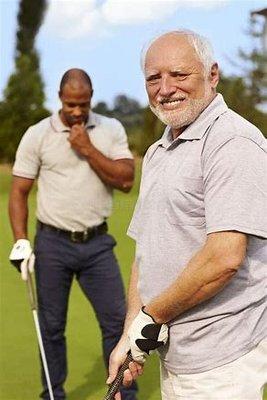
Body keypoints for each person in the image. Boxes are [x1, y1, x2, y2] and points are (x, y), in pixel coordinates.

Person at [107, 30, 267, 400]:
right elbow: (146, 253)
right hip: (178, 356)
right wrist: (133, 330)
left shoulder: (232, 142)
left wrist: (152, 315)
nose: (165, 88)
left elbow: (224, 258)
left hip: (224, 359)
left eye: (179, 75)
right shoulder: (158, 152)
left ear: (212, 75)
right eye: (153, 78)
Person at [8, 68, 138, 400]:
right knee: (51, 329)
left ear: (91, 97)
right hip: (52, 244)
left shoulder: (110, 129)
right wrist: (21, 240)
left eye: (83, 103)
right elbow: (19, 192)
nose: (78, 111)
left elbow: (125, 180)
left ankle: (124, 393)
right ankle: (54, 395)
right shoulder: (37, 134)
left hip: (97, 245)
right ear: (60, 98)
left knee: (115, 324)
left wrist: (88, 149)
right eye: (71, 104)